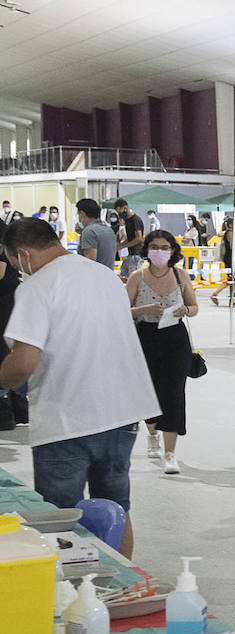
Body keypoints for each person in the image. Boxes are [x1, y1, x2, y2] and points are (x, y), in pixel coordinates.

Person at [0, 218, 159, 558]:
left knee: (59, 517)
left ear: (24, 253)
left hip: (68, 417)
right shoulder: (104, 275)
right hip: (121, 413)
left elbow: (23, 362)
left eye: (15, 262)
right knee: (116, 508)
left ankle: (68, 594)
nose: (18, 270)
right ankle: (123, 587)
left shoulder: (37, 286)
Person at [126, 230, 200, 475]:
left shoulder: (181, 276)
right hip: (146, 336)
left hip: (175, 338)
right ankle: (152, 434)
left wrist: (185, 312)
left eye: (164, 247)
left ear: (172, 250)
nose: (159, 251)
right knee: (150, 390)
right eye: (154, 247)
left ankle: (170, 453)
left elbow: (194, 306)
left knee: (174, 392)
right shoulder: (137, 277)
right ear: (147, 250)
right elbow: (122, 311)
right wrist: (143, 309)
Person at [0, 222, 22, 430]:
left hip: (5, 305)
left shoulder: (2, 251)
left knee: (4, 352)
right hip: (8, 303)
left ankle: (7, 414)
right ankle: (19, 411)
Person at [74, 198, 116, 269]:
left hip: (95, 278)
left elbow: (90, 261)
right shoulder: (108, 230)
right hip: (109, 275)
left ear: (82, 214)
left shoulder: (89, 231)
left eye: (78, 214)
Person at [114, 198, 146, 281]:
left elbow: (139, 239)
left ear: (125, 208)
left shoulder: (135, 220)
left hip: (136, 255)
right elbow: (130, 238)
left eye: (119, 211)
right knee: (123, 279)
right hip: (129, 255)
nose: (119, 214)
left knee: (134, 280)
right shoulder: (127, 221)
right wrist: (120, 246)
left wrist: (123, 246)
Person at [210, 216, 235, 305]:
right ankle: (215, 294)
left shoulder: (225, 233)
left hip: (227, 257)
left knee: (232, 279)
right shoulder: (231, 233)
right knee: (231, 279)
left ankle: (232, 300)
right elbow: (233, 246)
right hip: (230, 257)